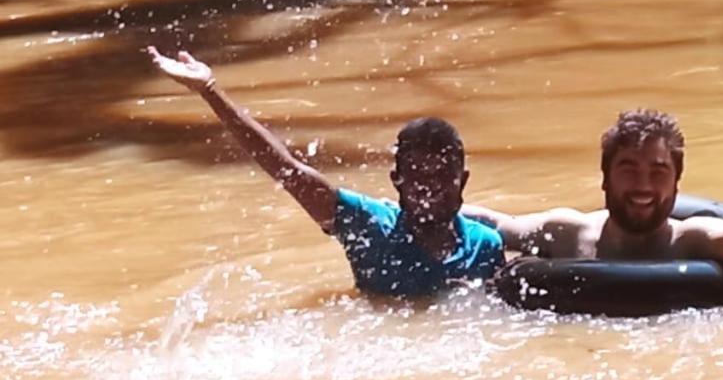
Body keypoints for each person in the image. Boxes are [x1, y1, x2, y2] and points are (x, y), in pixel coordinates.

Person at [147, 47, 504, 296]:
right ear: (396, 180)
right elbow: (287, 170)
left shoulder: (486, 246)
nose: (430, 187)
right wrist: (210, 91)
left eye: (442, 175)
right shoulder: (368, 227)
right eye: (418, 176)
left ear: (463, 181)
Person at [464, 109, 723, 268]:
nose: (643, 185)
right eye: (628, 169)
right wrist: (404, 205)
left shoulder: (692, 242)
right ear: (605, 178)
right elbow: (497, 224)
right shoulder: (568, 232)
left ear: (677, 184)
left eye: (658, 171)